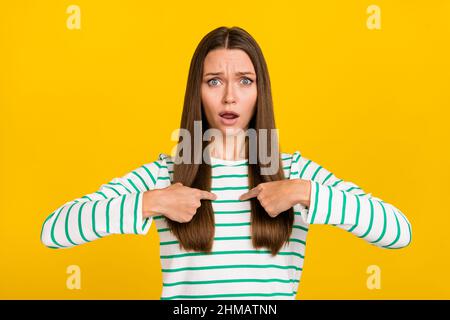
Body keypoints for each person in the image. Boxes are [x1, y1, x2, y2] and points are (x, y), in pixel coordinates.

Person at [40, 26, 412, 300]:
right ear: (197, 92)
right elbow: (53, 231)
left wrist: (304, 192)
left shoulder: (294, 173)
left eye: (245, 81)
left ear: (259, 90)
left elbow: (398, 232)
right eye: (215, 81)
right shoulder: (165, 176)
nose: (230, 96)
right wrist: (151, 201)